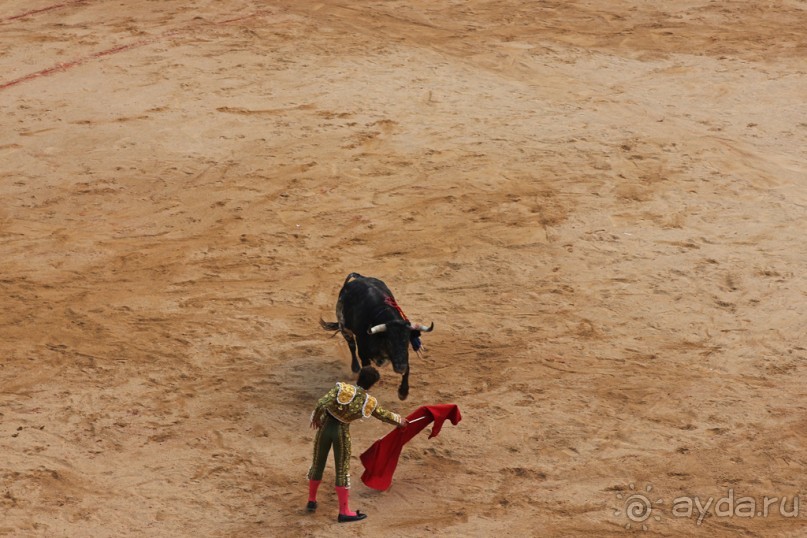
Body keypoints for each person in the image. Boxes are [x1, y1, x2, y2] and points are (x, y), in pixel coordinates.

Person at [307, 366, 407, 522]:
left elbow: (321, 403)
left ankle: (311, 501)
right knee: (342, 469)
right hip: (341, 432)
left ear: (359, 376)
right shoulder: (368, 401)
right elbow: (382, 414)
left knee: (317, 463)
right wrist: (398, 420)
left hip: (325, 428)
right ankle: (344, 511)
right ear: (372, 384)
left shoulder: (342, 388)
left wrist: (316, 419)